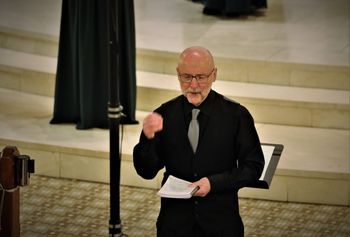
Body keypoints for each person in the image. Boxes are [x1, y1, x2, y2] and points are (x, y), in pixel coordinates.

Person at [133, 46, 265, 236]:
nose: (193, 85)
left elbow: (253, 167)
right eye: (187, 77)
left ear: (214, 75)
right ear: (178, 75)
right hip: (175, 226)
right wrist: (147, 139)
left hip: (221, 225)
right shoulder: (164, 114)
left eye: (201, 77)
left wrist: (213, 183)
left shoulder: (236, 115)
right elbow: (146, 171)